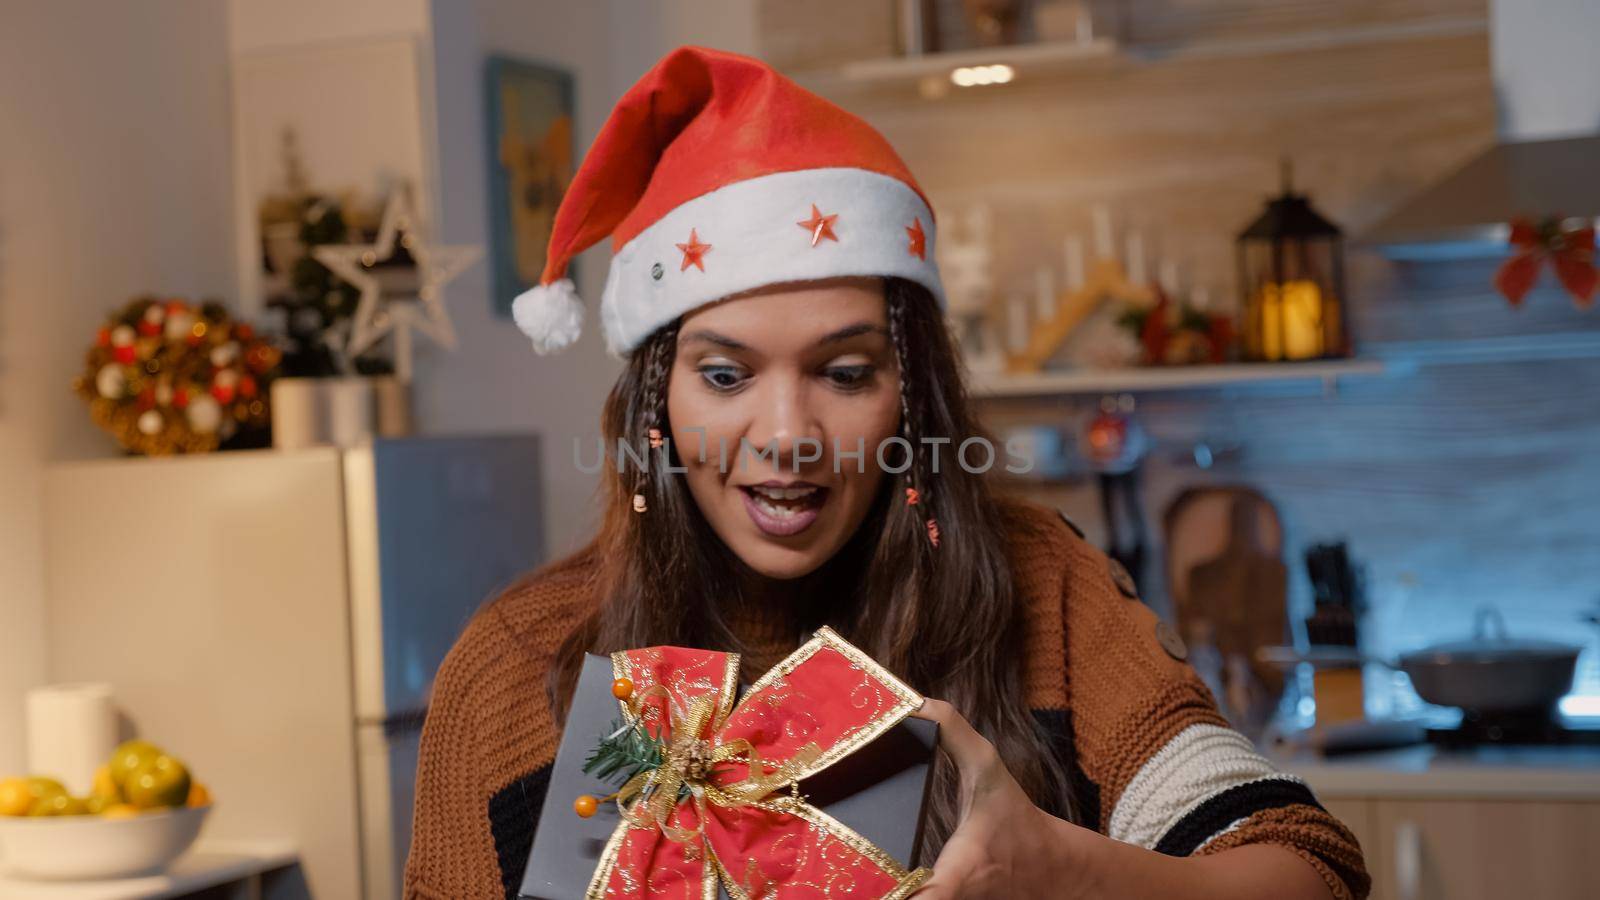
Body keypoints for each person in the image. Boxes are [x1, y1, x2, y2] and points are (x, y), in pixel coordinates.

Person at [404, 46, 1367, 900]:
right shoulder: (519, 671)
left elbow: (1304, 868)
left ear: (912, 393)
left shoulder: (1043, 591)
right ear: (656, 400)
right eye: (727, 374)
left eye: (846, 372)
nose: (787, 436)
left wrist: (1067, 874)